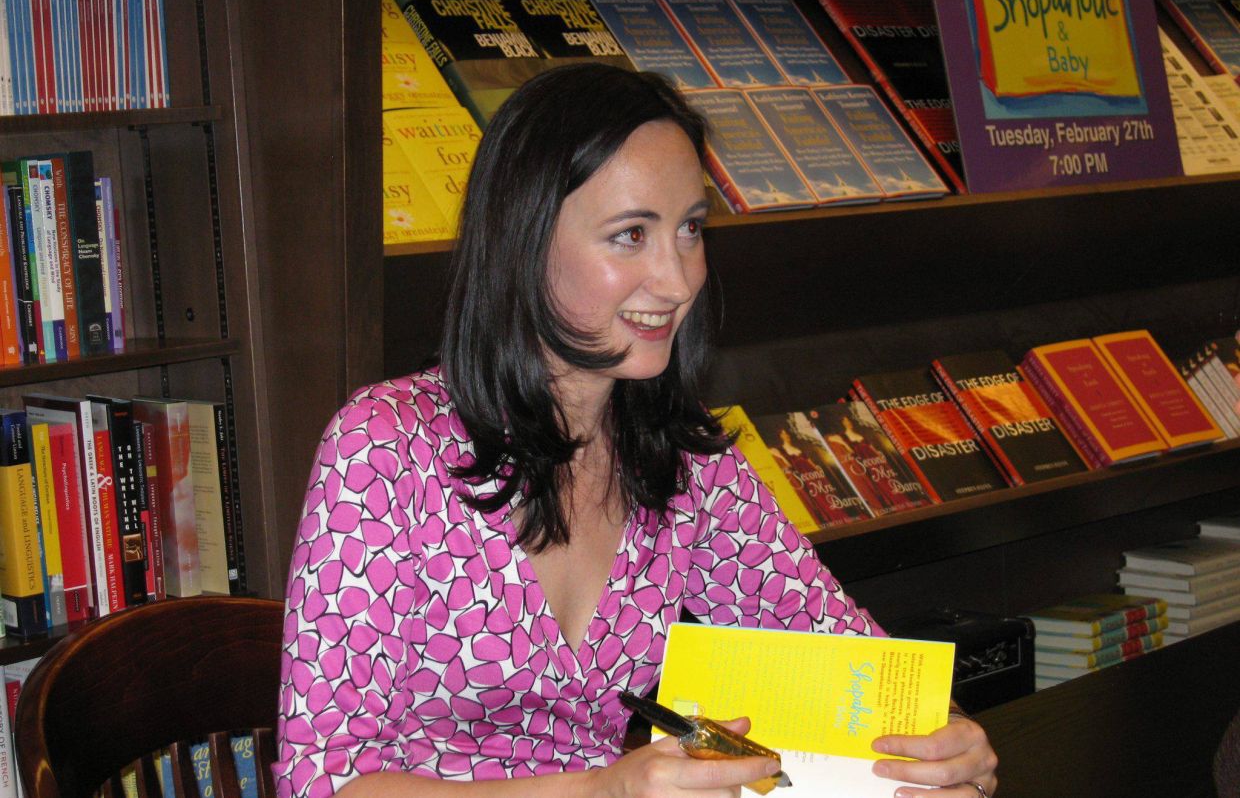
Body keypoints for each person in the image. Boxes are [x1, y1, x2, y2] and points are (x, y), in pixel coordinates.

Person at [274, 63, 998, 798]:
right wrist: (602, 792)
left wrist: (947, 742)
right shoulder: (382, 448)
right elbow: (324, 783)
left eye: (689, 229)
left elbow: (846, 656)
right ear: (524, 240)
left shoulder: (685, 460)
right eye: (630, 235)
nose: (679, 280)